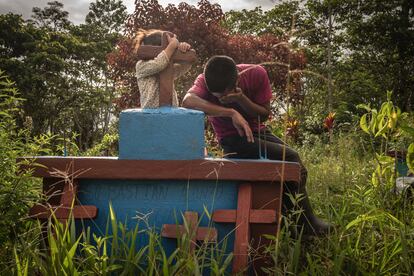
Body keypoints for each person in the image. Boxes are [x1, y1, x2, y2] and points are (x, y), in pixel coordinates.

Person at [182, 55, 333, 235]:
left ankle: (295, 221)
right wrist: (230, 112)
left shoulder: (256, 73)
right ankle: (306, 226)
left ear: (237, 79)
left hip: (260, 132)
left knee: (295, 166)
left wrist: (241, 100)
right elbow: (188, 101)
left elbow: (265, 114)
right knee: (291, 158)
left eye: (225, 94)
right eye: (218, 96)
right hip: (233, 139)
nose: (221, 98)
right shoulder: (205, 80)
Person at [134, 29, 192, 108]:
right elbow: (159, 63)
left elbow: (184, 67)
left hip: (171, 110)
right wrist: (172, 46)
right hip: (151, 111)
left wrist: (183, 49)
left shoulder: (167, 67)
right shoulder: (141, 66)